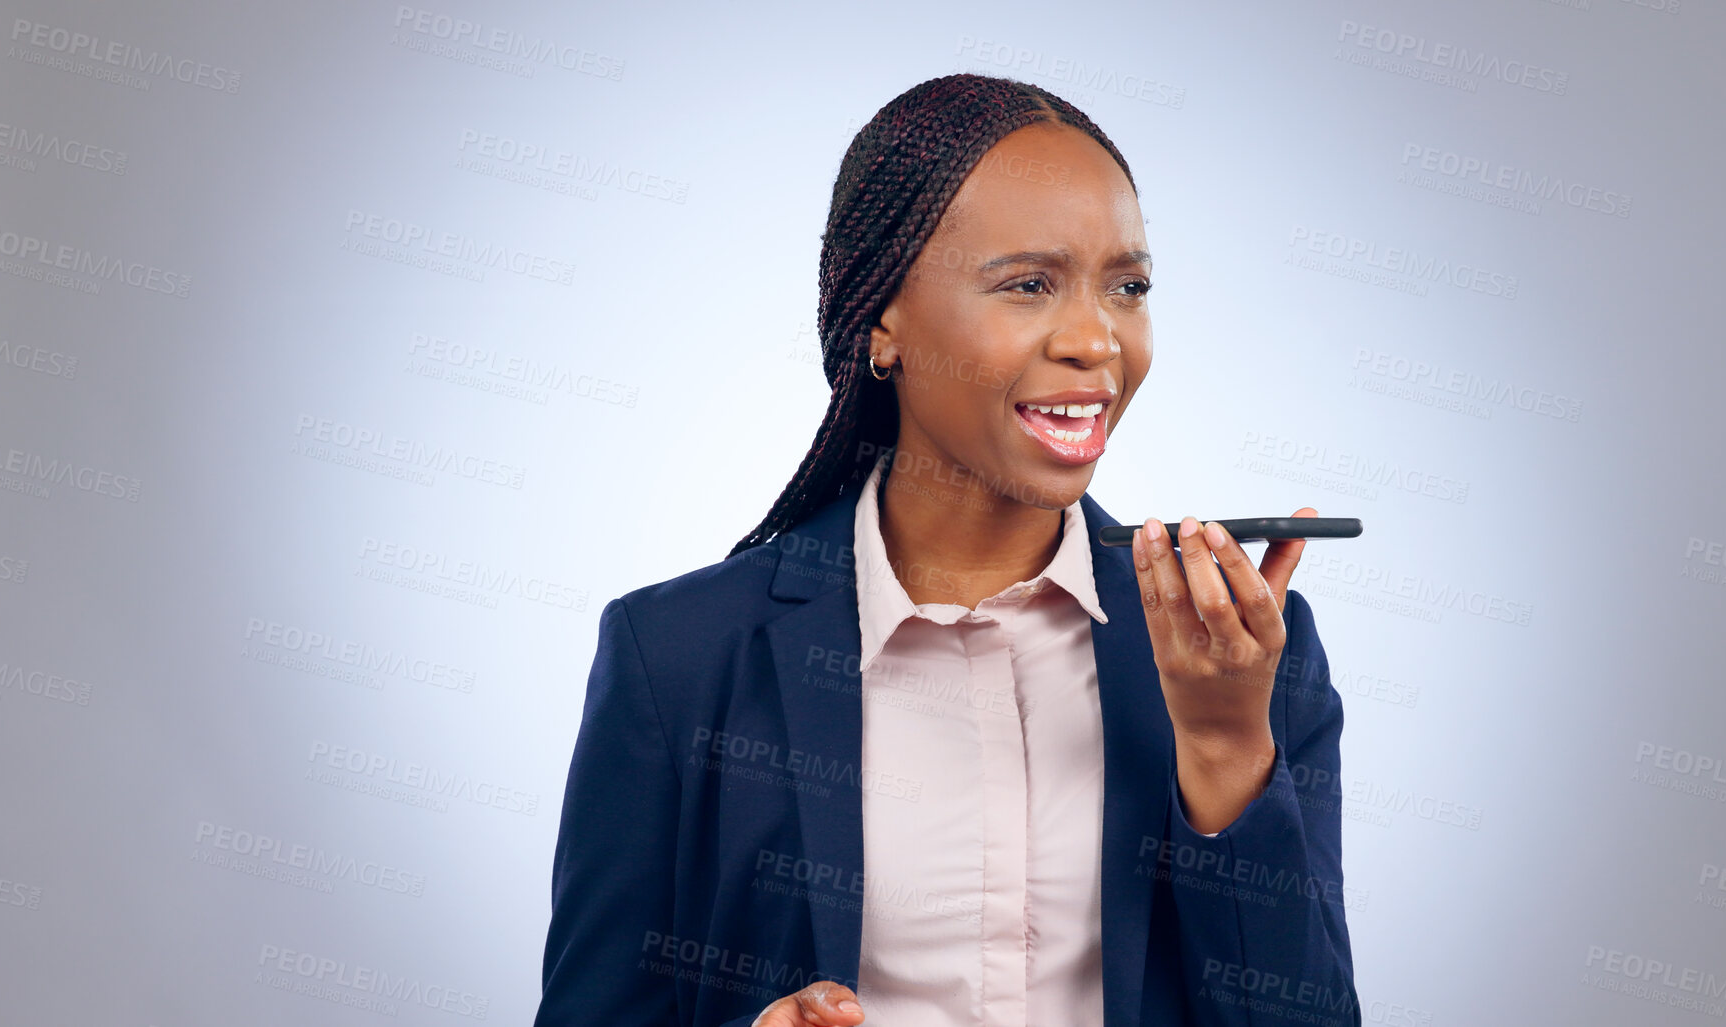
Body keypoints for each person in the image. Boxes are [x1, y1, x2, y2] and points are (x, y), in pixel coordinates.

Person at [534, 72, 1358, 1027]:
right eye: (1028, 284)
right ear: (883, 318)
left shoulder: (1241, 650)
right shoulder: (674, 657)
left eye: (1126, 286)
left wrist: (1223, 744)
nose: (1097, 339)